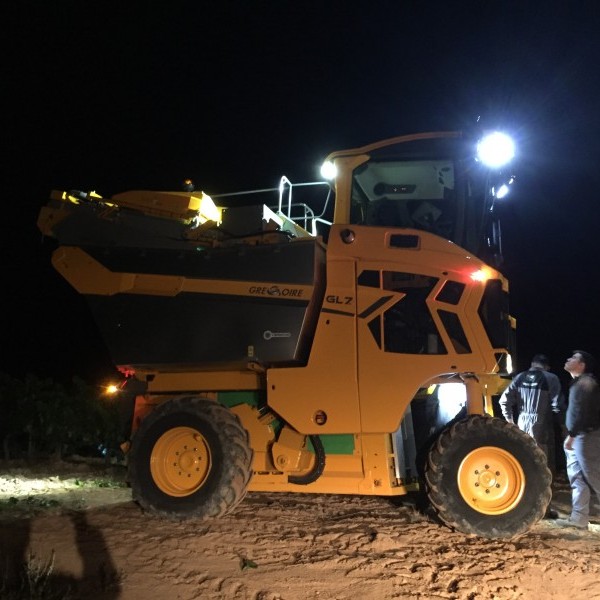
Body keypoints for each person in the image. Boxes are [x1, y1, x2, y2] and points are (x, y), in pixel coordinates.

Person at [555, 350, 600, 530]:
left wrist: (572, 435)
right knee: (577, 479)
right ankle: (579, 519)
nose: (568, 359)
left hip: (586, 436)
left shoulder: (587, 383)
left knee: (595, 476)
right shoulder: (578, 383)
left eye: (573, 358)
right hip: (577, 437)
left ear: (582, 365)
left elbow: (584, 412)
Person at [499, 353, 565, 459]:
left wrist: (510, 421)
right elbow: (557, 405)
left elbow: (504, 401)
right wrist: (563, 425)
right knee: (540, 458)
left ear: (532, 364)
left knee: (524, 455)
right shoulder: (551, 378)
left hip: (521, 423)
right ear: (547, 367)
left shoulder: (519, 377)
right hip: (541, 424)